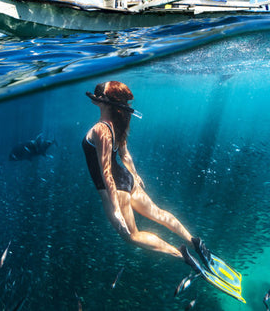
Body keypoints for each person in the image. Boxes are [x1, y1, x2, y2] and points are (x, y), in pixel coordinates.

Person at [82, 81, 210, 269]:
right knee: (158, 213)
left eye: (99, 93)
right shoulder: (119, 124)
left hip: (115, 190)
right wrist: (134, 175)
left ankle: (182, 255)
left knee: (132, 235)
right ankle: (195, 241)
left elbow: (106, 172)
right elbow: (125, 155)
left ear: (104, 101)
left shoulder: (101, 129)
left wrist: (116, 208)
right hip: (127, 179)